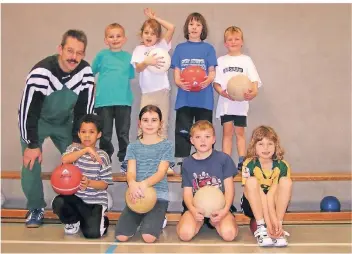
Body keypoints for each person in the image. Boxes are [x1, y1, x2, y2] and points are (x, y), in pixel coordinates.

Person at [18, 29, 95, 228]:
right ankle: (35, 207)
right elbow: (28, 111)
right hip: (37, 122)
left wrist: (81, 143)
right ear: (60, 49)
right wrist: (32, 143)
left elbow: (84, 112)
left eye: (79, 53)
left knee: (81, 160)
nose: (74, 57)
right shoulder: (41, 73)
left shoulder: (86, 74)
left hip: (65, 122)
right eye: (70, 51)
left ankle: (80, 206)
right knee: (31, 162)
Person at [115, 105, 174, 243]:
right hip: (136, 195)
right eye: (145, 120)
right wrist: (133, 184)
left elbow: (161, 172)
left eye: (154, 120)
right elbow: (130, 172)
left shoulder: (167, 145)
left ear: (160, 123)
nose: (149, 124)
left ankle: (157, 217)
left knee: (148, 238)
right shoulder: (133, 147)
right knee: (121, 236)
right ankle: (142, 217)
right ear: (139, 123)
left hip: (158, 197)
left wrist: (143, 185)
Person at [52, 114, 113, 238]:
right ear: (79, 134)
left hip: (94, 202)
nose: (87, 135)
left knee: (93, 234)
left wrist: (89, 183)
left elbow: (104, 184)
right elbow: (65, 160)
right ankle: (73, 221)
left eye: (91, 132)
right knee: (58, 202)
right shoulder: (73, 149)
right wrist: (85, 150)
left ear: (99, 134)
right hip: (76, 200)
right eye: (83, 132)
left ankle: (102, 219)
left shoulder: (103, 156)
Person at [177, 120, 238, 242]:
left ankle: (215, 222)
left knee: (229, 234)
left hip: (220, 208)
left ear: (214, 139)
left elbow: (230, 190)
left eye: (207, 137)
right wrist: (193, 210)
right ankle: (198, 223)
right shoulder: (187, 163)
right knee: (185, 234)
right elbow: (187, 193)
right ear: (192, 140)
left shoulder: (223, 159)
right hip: (196, 208)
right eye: (198, 137)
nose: (203, 141)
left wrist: (224, 211)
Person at [171, 12, 217, 173]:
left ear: (202, 28)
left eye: (198, 24)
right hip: (185, 98)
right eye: (191, 24)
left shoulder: (208, 48)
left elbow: (212, 71)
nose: (194, 27)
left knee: (204, 132)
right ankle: (182, 162)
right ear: (187, 27)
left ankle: (206, 162)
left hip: (204, 99)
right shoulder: (180, 48)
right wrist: (178, 82)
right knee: (183, 130)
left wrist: (208, 80)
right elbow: (176, 71)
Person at [213, 26, 262, 171]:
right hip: (226, 103)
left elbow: (254, 81)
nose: (233, 42)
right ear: (225, 43)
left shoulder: (246, 60)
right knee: (227, 132)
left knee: (240, 132)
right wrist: (222, 92)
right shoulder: (221, 60)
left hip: (241, 104)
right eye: (230, 39)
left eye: (236, 39)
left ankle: (243, 161)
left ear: (242, 42)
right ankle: (226, 161)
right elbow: (216, 83)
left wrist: (253, 93)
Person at [92, 23, 135, 173]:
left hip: (123, 101)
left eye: (118, 36)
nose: (115, 39)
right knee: (105, 134)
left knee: (123, 134)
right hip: (103, 102)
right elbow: (90, 73)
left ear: (124, 39)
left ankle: (124, 161)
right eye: (111, 36)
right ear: (106, 40)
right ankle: (105, 161)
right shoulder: (101, 55)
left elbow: (132, 75)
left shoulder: (129, 58)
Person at [241, 125, 292, 247]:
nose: (266, 148)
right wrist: (267, 223)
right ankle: (261, 227)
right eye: (261, 144)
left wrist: (275, 221)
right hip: (253, 203)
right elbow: (261, 196)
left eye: (270, 144)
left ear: (276, 146)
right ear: (254, 147)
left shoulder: (282, 165)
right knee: (251, 181)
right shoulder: (249, 164)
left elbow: (270, 196)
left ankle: (278, 228)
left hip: (273, 202)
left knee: (286, 181)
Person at [131, 8, 175, 139]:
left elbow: (171, 27)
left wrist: (155, 19)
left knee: (162, 125)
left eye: (153, 33)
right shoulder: (139, 49)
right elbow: (138, 68)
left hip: (162, 91)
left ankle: (163, 157)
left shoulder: (162, 46)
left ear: (158, 36)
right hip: (147, 93)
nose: (149, 36)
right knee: (144, 125)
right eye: (146, 32)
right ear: (141, 34)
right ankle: (144, 155)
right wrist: (147, 62)